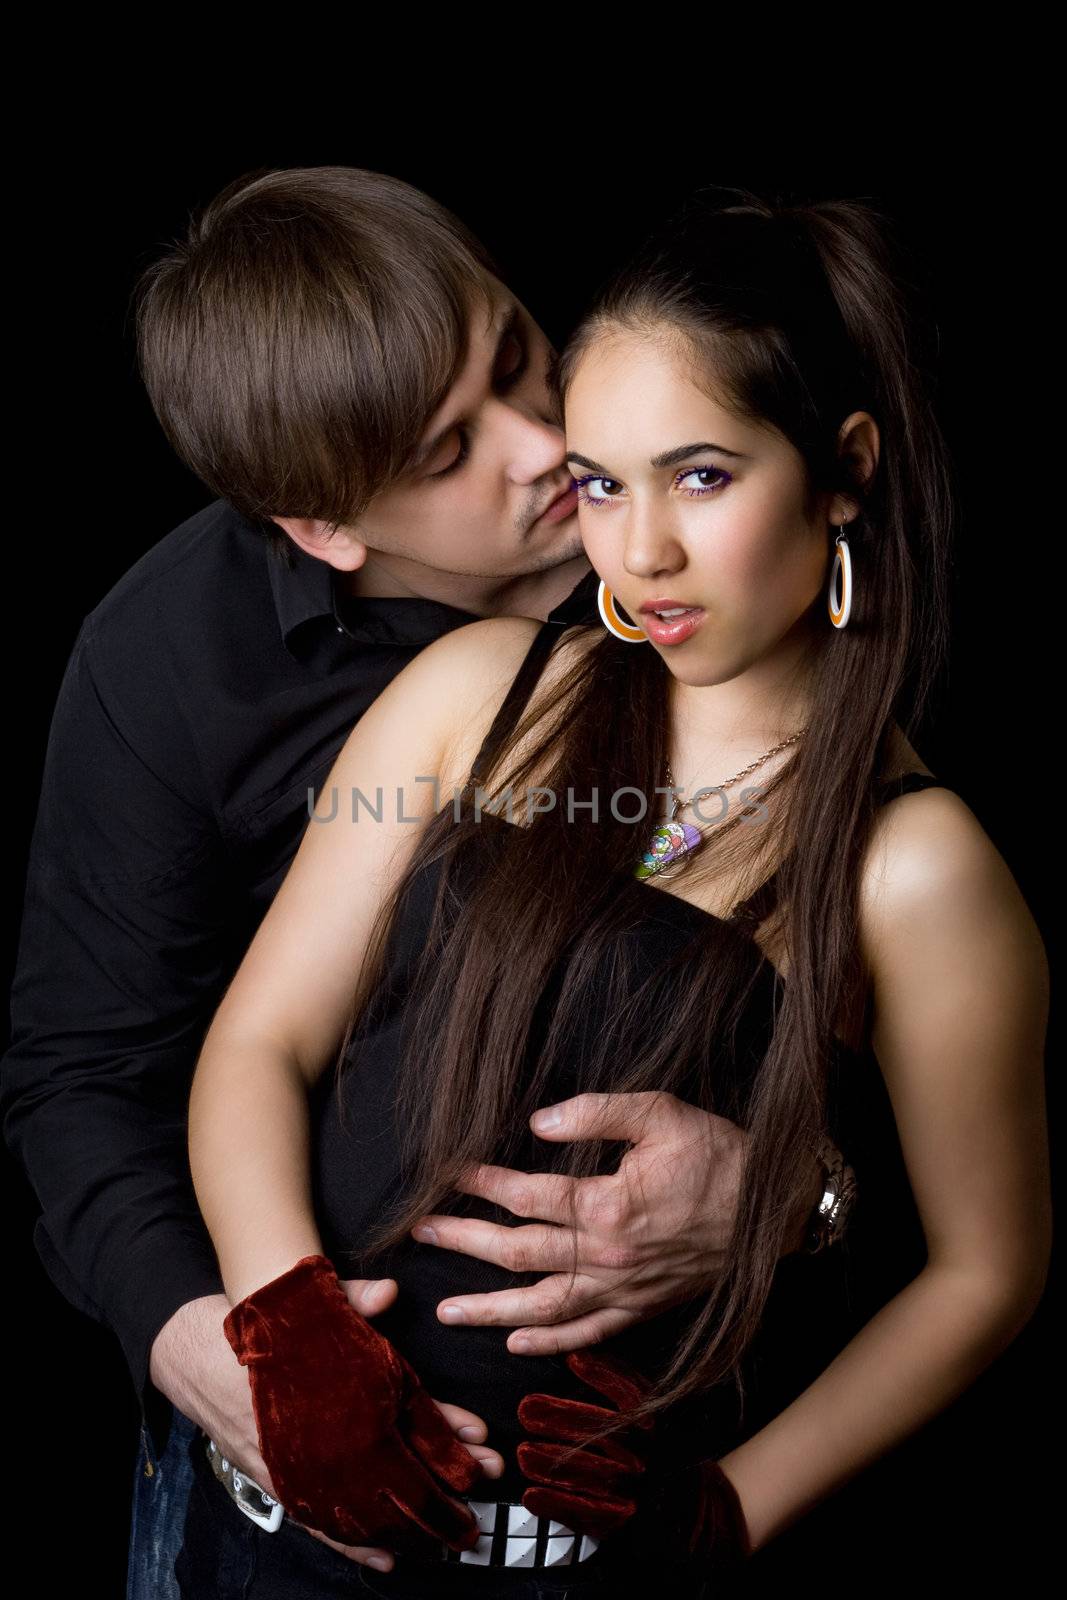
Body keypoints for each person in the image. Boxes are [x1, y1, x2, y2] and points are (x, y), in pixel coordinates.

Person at [177, 187, 1051, 1599]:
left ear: (841, 471)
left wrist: (731, 1514)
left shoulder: (915, 864)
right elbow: (258, 1044)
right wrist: (292, 1331)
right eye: (600, 482)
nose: (637, 554)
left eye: (702, 476)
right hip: (279, 1542)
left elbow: (987, 1270)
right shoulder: (474, 696)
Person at [0, 167, 830, 1599]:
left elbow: (882, 998)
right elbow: (79, 1078)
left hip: (635, 1484)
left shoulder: (710, 551)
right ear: (327, 526)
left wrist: (799, 1196)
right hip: (284, 1506)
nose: (543, 446)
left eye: (520, 355)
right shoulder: (165, 667)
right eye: (454, 448)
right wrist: (230, 1349)